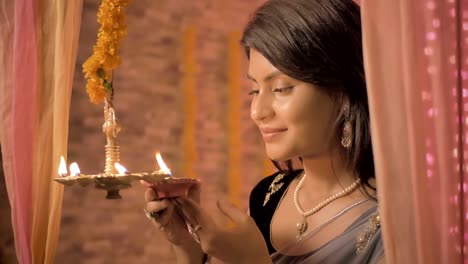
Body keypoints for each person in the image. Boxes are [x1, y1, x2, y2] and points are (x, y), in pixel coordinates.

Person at [143, 0, 384, 263]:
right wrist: (188, 248)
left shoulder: (394, 221)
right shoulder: (268, 195)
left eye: (280, 88)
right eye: (255, 90)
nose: (258, 111)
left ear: (343, 94)